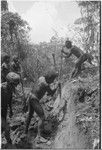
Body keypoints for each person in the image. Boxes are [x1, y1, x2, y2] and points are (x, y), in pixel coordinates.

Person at [25, 70, 60, 143]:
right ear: (49, 77)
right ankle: (39, 137)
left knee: (30, 114)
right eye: (52, 79)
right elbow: (51, 92)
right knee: (42, 117)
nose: (53, 81)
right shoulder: (45, 84)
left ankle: (25, 132)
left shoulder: (41, 78)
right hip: (34, 99)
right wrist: (56, 85)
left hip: (30, 96)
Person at [1, 72, 20, 145]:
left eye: (16, 84)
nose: (16, 86)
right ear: (9, 82)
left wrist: (11, 110)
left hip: (4, 110)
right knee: (6, 128)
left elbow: (10, 99)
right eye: (15, 84)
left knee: (3, 127)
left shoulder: (10, 89)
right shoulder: (1, 88)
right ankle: (9, 142)